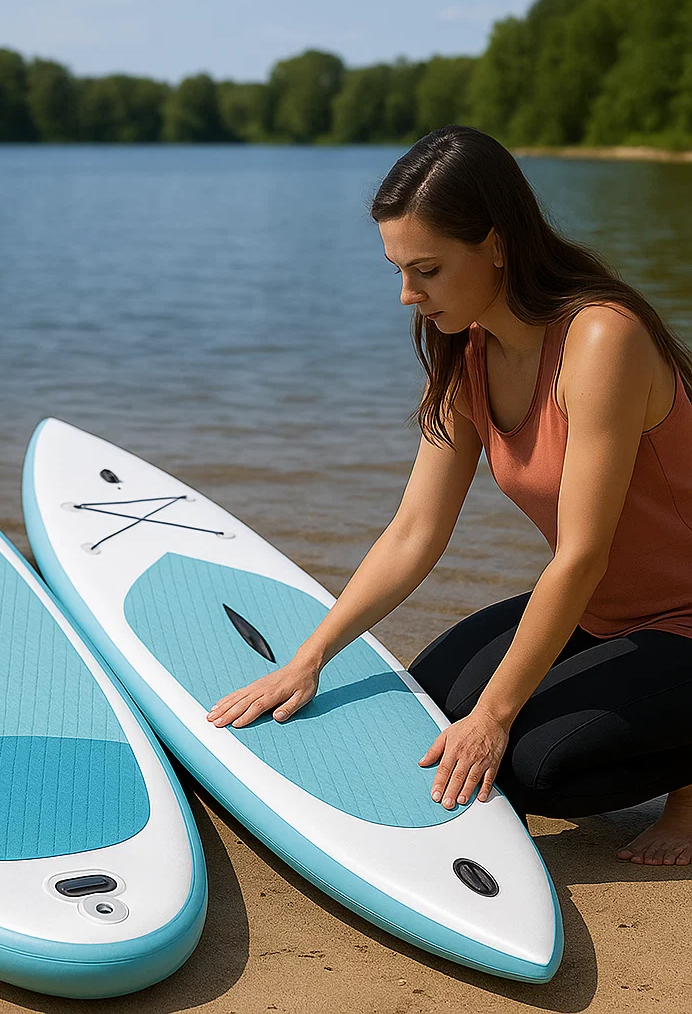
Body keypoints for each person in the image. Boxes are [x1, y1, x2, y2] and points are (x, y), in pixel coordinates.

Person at [207, 125, 692, 867]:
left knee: (530, 767)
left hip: (680, 619)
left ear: (495, 244)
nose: (408, 295)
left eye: (427, 269)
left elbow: (583, 553)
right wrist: (309, 659)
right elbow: (414, 531)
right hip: (604, 613)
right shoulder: (468, 350)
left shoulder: (601, 339)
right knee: (426, 708)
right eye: (399, 270)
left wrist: (497, 716)